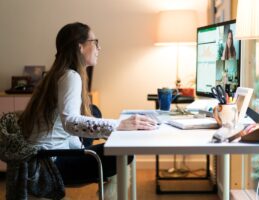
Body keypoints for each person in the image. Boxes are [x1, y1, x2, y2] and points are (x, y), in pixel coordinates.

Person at [18, 22, 156, 197]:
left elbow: (66, 131)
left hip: (39, 159)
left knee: (94, 110)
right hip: (49, 164)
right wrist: (119, 125)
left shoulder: (57, 74)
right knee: (125, 153)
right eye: (95, 41)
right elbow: (71, 123)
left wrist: (84, 146)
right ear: (80, 46)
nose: (99, 47)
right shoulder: (70, 76)